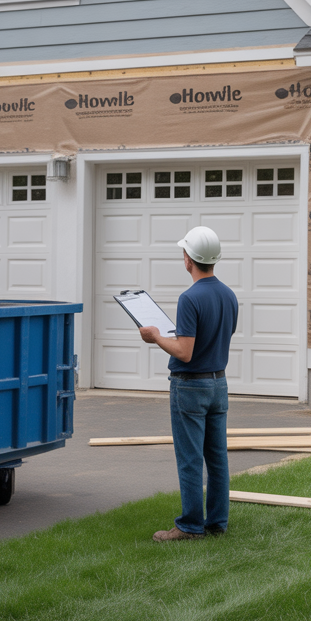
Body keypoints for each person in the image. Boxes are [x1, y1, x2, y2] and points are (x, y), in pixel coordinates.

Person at [138, 225, 238, 542]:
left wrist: (155, 337)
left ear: (188, 259)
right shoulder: (228, 295)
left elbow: (185, 350)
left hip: (190, 387)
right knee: (217, 458)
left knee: (191, 459)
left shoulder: (190, 298)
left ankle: (190, 526)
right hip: (218, 385)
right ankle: (217, 523)